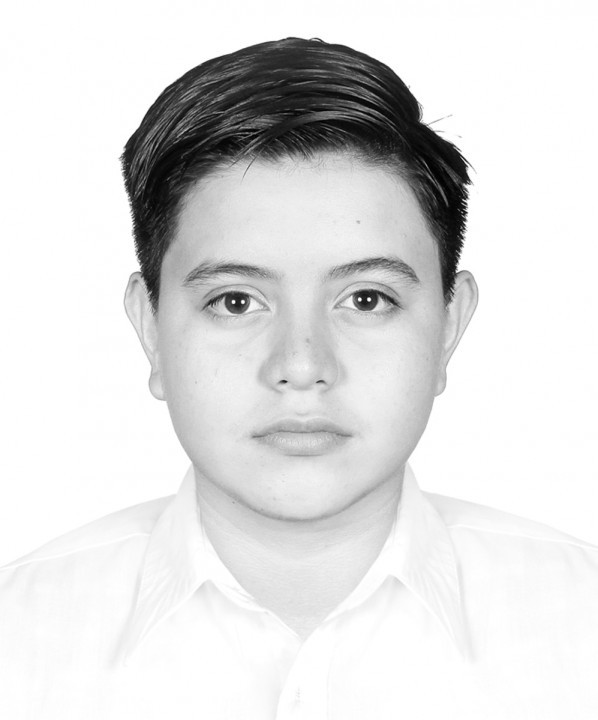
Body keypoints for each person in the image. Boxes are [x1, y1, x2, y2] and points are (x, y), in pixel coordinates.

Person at [0, 37, 596, 719]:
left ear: (449, 326)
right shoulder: (18, 641)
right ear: (150, 328)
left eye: (366, 299)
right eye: (235, 301)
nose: (303, 366)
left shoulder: (582, 629)